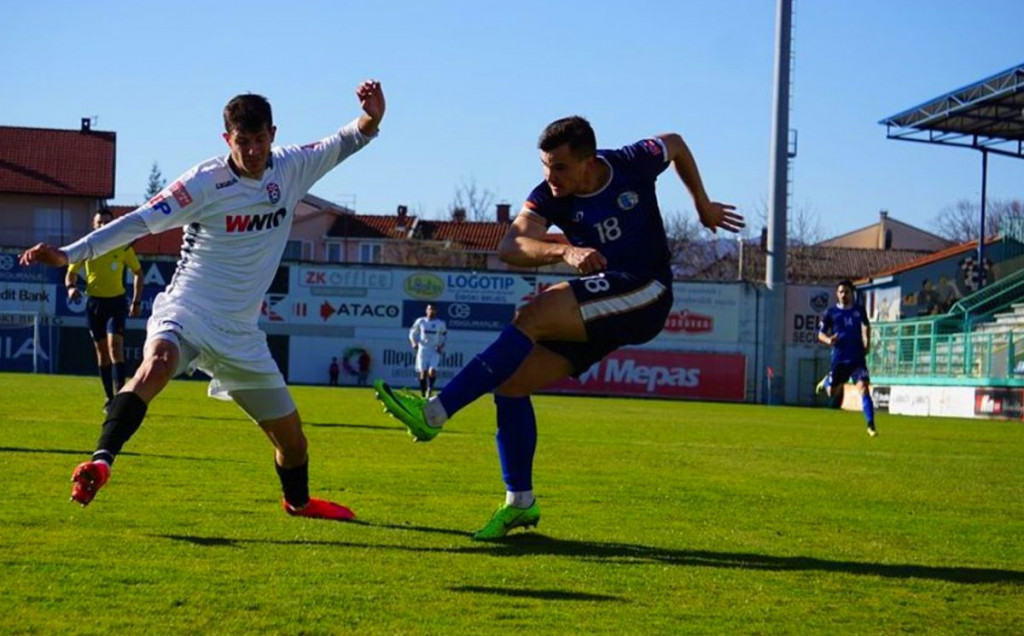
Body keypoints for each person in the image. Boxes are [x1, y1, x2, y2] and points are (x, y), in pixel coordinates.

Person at [19, 80, 385, 520]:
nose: (252, 151)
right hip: (188, 310)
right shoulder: (204, 183)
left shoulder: (293, 167)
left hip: (241, 335)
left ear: (274, 133)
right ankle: (100, 461)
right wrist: (70, 254)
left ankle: (299, 502)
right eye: (242, 142)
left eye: (260, 140)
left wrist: (373, 115)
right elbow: (137, 222)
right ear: (226, 138)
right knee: (154, 365)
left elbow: (349, 138)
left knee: (292, 443)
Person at [374, 116, 743, 539]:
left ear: (589, 162)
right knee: (511, 384)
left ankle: (435, 412)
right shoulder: (550, 195)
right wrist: (562, 251)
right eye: (545, 166)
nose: (550, 177)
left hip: (647, 292)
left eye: (560, 167)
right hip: (603, 305)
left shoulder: (631, 162)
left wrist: (702, 203)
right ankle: (520, 503)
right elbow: (512, 246)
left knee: (532, 315)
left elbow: (675, 142)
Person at [65, 209, 144, 410]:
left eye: (107, 222)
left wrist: (135, 302)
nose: (103, 226)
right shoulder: (86, 246)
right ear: (94, 224)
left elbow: (138, 273)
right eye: (99, 222)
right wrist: (71, 287)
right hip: (94, 304)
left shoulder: (122, 245)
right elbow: (70, 274)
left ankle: (121, 397)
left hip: (116, 303)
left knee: (115, 347)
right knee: (102, 352)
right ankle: (109, 398)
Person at [816, 279, 877, 437]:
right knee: (832, 392)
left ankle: (870, 425)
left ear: (852, 293)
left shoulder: (859, 310)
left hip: (857, 358)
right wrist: (829, 340)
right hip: (839, 359)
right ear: (837, 294)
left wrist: (867, 343)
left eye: (847, 292)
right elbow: (820, 334)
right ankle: (828, 380)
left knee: (864, 388)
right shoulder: (831, 312)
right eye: (841, 292)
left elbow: (866, 326)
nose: (844, 295)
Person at [408, 303, 447, 397]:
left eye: (433, 309)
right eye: (429, 309)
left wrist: (441, 346)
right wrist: (413, 342)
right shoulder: (421, 321)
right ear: (426, 310)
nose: (431, 311)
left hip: (434, 350)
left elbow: (444, 336)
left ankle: (430, 389)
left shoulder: (440, 323)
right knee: (423, 373)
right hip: (423, 350)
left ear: (436, 311)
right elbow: (412, 333)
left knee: (432, 371)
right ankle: (422, 394)